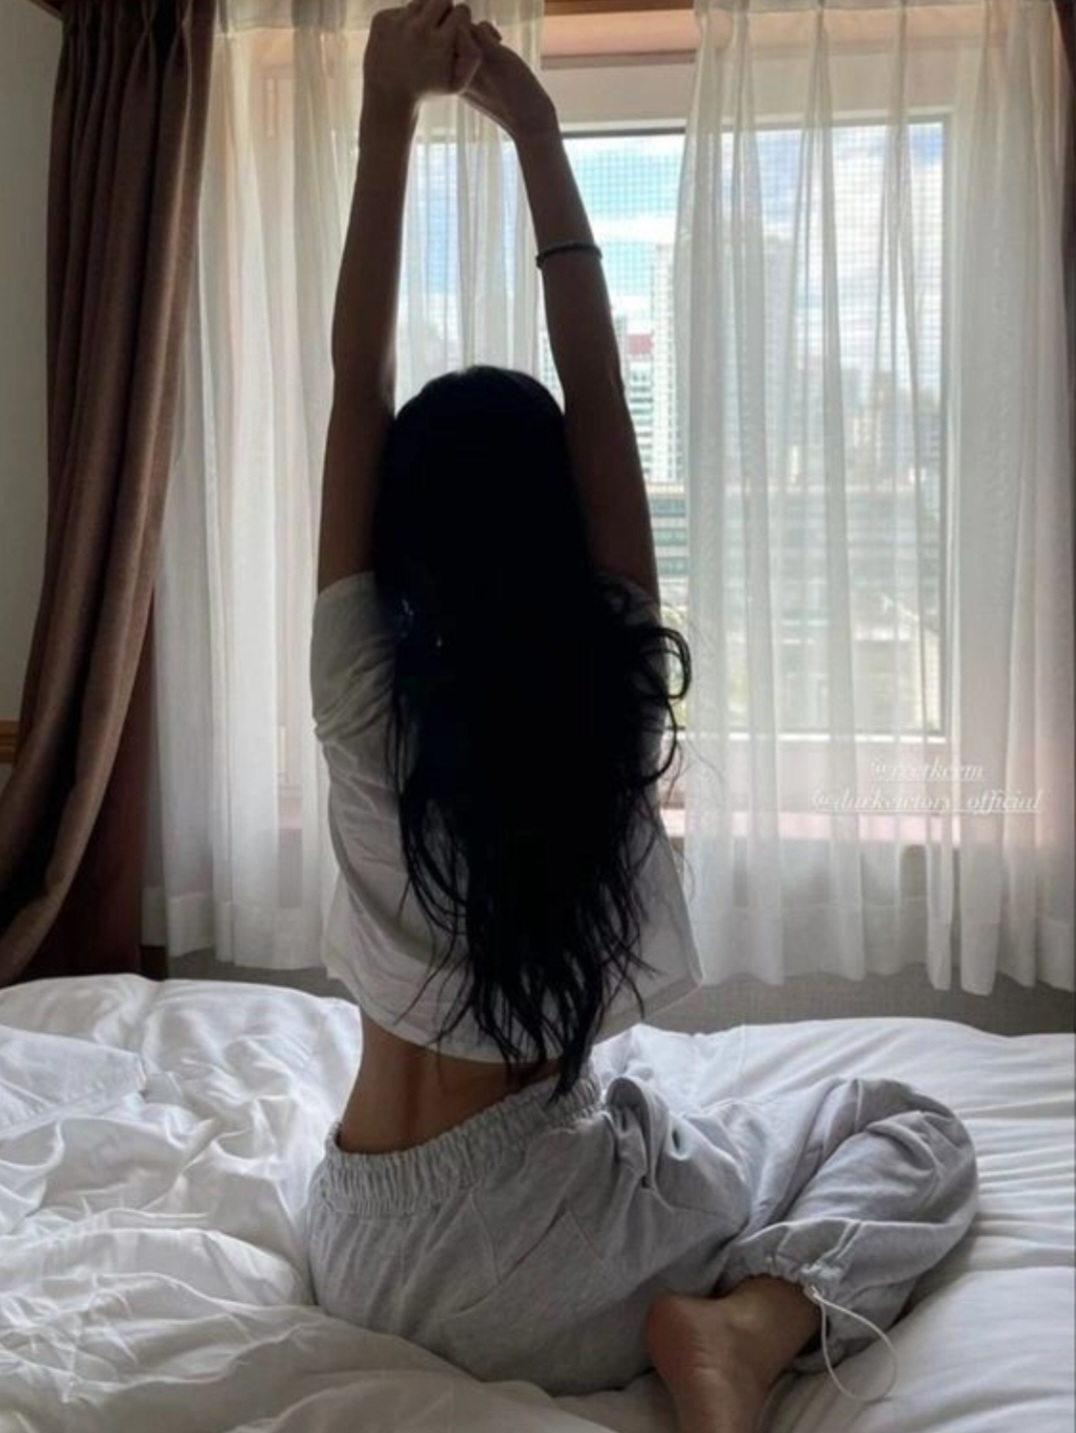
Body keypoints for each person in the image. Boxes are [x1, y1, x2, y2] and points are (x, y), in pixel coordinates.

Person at [302, 5, 979, 1430]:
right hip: (553, 1266)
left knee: (665, 1122)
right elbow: (601, 388)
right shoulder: (600, 695)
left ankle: (705, 1301)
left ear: (400, 540)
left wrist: (385, 115)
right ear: (562, 533)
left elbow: (353, 382)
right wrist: (538, 131)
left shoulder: (357, 697)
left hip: (358, 1244)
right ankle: (739, 1331)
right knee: (907, 1127)